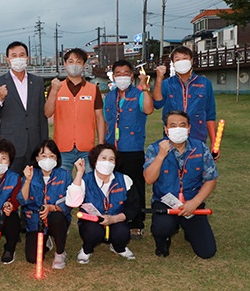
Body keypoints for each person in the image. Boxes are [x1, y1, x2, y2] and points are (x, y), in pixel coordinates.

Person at [143, 110, 218, 259]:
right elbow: (149, 179)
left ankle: (189, 230)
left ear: (189, 128)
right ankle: (163, 240)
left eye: (182, 125)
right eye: (173, 125)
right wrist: (161, 156)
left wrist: (195, 202)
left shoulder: (200, 148)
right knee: (162, 227)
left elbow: (211, 179)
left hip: (192, 203)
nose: (178, 129)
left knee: (207, 252)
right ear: (166, 129)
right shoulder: (155, 148)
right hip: (165, 201)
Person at [103, 60, 154, 239]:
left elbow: (148, 110)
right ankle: (114, 219)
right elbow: (105, 120)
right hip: (112, 150)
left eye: (126, 73)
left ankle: (137, 223)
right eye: (118, 73)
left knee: (135, 187)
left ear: (131, 76)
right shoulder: (109, 97)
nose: (122, 76)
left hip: (132, 149)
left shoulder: (139, 93)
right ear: (113, 76)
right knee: (113, 186)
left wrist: (145, 88)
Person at [66, 144, 140, 264]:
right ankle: (86, 250)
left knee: (122, 233)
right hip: (91, 222)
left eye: (111, 159)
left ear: (115, 163)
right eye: (103, 158)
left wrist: (114, 219)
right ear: (95, 161)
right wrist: (79, 173)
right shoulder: (85, 180)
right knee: (92, 232)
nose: (107, 162)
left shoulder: (125, 180)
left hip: (116, 220)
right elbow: (72, 202)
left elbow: (134, 206)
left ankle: (118, 247)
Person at [0, 41, 48, 174]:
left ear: (27, 58)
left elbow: (41, 116)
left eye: (22, 55)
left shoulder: (37, 82)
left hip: (35, 144)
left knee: (35, 184)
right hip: (11, 144)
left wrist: (44, 144)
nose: (18, 58)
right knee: (12, 185)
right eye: (14, 55)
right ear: (7, 59)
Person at [45, 48, 106, 173]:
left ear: (84, 65)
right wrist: (54, 92)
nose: (74, 65)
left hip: (87, 148)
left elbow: (99, 118)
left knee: (89, 186)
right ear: (65, 64)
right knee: (61, 186)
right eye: (71, 61)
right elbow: (47, 112)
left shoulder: (93, 89)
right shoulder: (56, 87)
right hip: (62, 147)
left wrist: (100, 143)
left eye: (78, 62)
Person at [152, 46, 218, 160]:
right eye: (177, 59)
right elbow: (157, 103)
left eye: (185, 58)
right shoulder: (167, 84)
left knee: (196, 171)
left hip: (198, 136)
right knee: (172, 173)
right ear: (173, 63)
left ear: (191, 60)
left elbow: (210, 115)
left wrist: (214, 143)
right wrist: (159, 79)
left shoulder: (205, 83)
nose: (181, 62)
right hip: (172, 137)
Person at [18, 139, 73, 269]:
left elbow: (70, 201)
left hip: (56, 216)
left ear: (57, 158)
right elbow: (22, 200)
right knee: (33, 258)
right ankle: (46, 240)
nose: (48, 159)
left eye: (52, 156)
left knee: (57, 217)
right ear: (36, 158)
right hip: (35, 221)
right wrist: (27, 180)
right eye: (43, 155)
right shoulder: (30, 174)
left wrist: (52, 207)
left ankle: (60, 253)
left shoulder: (64, 175)